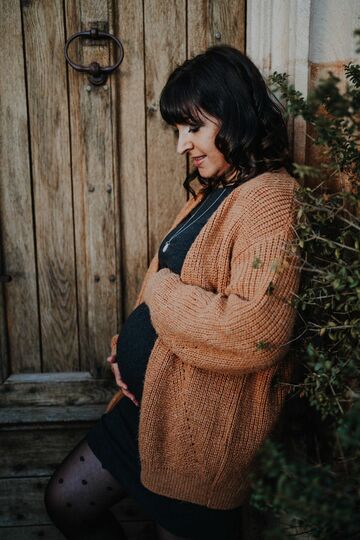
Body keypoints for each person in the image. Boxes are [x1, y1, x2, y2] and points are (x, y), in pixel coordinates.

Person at [44, 44, 301, 540]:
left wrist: (160, 297)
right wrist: (128, 348)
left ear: (234, 116)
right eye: (178, 130)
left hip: (201, 436)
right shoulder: (215, 191)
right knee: (67, 501)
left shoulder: (270, 198)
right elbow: (161, 281)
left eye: (194, 127)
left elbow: (255, 330)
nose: (182, 145)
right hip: (147, 411)